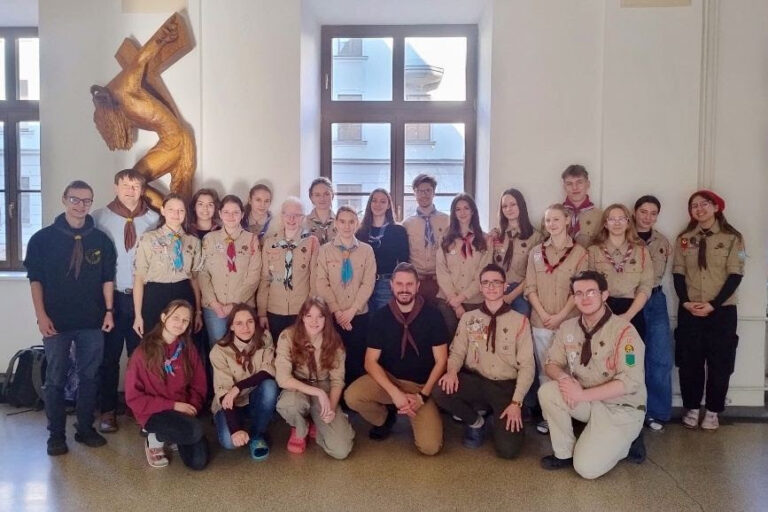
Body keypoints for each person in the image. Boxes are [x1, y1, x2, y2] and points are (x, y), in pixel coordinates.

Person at [25, 180, 117, 456]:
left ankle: (85, 428)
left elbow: (107, 279)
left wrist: (109, 311)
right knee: (55, 378)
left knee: (90, 376)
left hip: (92, 320)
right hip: (56, 321)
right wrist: (41, 316)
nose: (80, 205)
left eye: (86, 201)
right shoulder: (42, 239)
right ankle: (55, 435)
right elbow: (36, 281)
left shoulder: (100, 240)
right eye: (75, 199)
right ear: (64, 199)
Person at [538, 271, 646, 479]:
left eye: (591, 292)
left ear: (604, 295)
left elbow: (630, 381)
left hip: (620, 408)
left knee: (586, 469)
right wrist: (564, 379)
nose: (585, 298)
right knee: (548, 391)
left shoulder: (625, 331)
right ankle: (564, 453)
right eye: (578, 293)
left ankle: (627, 440)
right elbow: (551, 364)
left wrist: (581, 395)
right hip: (589, 402)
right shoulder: (568, 328)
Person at [345, 263, 449, 456]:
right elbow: (370, 362)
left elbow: (442, 360)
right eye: (399, 284)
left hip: (420, 386)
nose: (404, 289)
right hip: (390, 380)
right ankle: (385, 417)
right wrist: (395, 394)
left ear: (417, 286)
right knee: (352, 396)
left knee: (430, 448)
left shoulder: (433, 315)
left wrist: (422, 396)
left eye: (409, 284)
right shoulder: (380, 317)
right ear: (391, 285)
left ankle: (420, 411)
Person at [432, 264, 535, 458]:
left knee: (509, 451)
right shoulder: (469, 318)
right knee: (440, 390)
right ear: (480, 287)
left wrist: (516, 402)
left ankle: (498, 416)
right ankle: (476, 422)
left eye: (496, 282)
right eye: (486, 283)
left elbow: (527, 366)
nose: (491, 287)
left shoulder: (519, 321)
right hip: (477, 381)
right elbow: (457, 352)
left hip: (505, 387)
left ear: (505, 286)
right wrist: (452, 372)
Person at [91, 168, 159, 433]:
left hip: (143, 299)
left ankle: (137, 406)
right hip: (112, 299)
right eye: (126, 185)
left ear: (142, 190)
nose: (131, 191)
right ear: (115, 188)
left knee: (140, 357)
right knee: (108, 357)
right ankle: (108, 410)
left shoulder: (154, 219)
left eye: (136, 186)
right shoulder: (99, 217)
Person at [673, 190, 744, 431]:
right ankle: (692, 407)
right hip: (690, 310)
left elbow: (736, 274)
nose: (699, 209)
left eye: (704, 204)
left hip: (722, 311)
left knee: (720, 363)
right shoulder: (684, 239)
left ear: (716, 207)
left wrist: (714, 304)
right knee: (689, 362)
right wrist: (685, 302)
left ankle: (713, 411)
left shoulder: (733, 238)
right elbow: (678, 273)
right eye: (694, 205)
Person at [524, 204, 588, 434]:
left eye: (556, 219)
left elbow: (579, 290)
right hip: (541, 322)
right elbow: (530, 287)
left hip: (569, 322)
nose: (551, 224)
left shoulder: (580, 253)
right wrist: (543, 314)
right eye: (548, 220)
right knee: (545, 370)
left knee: (570, 369)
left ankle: (572, 413)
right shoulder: (536, 252)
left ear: (567, 220)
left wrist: (560, 316)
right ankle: (548, 416)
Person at [125, 300, 209, 469]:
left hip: (182, 410)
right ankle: (155, 438)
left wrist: (192, 407)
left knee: (198, 462)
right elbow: (134, 398)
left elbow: (199, 385)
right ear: (164, 317)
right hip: (154, 412)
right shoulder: (142, 352)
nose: (180, 323)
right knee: (194, 431)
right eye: (176, 317)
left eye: (185, 320)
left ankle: (175, 434)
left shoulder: (188, 349)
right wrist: (173, 405)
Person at [274, 297, 355, 459]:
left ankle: (318, 426)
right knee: (290, 404)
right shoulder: (288, 336)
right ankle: (299, 427)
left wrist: (330, 409)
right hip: (297, 386)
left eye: (320, 316)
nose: (314, 321)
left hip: (323, 385)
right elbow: (283, 378)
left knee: (341, 450)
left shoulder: (334, 342)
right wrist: (318, 393)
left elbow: (337, 381)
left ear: (326, 319)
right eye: (309, 315)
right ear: (302, 317)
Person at [315, 206, 376, 384]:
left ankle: (354, 396)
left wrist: (352, 310)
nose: (347, 226)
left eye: (351, 222)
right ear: (336, 223)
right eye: (342, 221)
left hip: (359, 315)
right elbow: (321, 282)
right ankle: (336, 395)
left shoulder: (367, 250)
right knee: (333, 358)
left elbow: (368, 283)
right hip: (333, 315)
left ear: (357, 224)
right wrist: (337, 311)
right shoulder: (325, 250)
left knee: (356, 359)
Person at [210, 304, 278, 460]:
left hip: (254, 397)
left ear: (255, 322)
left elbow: (268, 371)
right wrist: (235, 430)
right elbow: (224, 393)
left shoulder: (265, 338)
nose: (245, 328)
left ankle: (257, 434)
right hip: (231, 402)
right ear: (231, 326)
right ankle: (233, 422)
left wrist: (238, 387)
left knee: (270, 386)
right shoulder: (219, 350)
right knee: (229, 442)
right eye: (239, 323)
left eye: (250, 322)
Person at [133, 193, 203, 337]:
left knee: (183, 341)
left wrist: (198, 312)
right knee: (154, 340)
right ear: (163, 210)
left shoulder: (193, 241)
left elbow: (195, 279)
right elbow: (139, 277)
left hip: (183, 292)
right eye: (171, 209)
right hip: (155, 294)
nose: (176, 214)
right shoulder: (149, 238)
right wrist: (138, 315)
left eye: (181, 210)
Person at [198, 195, 262, 344]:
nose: (231, 216)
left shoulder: (252, 239)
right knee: (218, 347)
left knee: (245, 347)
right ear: (220, 214)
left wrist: (234, 305)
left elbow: (254, 276)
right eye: (226, 212)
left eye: (236, 212)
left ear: (242, 214)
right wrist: (214, 303)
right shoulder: (209, 239)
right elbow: (203, 273)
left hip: (243, 307)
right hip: (214, 308)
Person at [633, 195, 673, 432]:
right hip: (629, 300)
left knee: (659, 357)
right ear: (635, 212)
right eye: (643, 211)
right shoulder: (623, 236)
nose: (647, 217)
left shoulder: (662, 242)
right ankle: (631, 409)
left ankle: (656, 412)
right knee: (630, 357)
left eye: (653, 213)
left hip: (655, 300)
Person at [258, 197, 320, 342]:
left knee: (301, 349)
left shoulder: (311, 242)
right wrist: (262, 313)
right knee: (277, 348)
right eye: (288, 214)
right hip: (274, 309)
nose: (292, 219)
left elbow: (315, 279)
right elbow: (265, 279)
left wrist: (311, 309)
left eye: (297, 215)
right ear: (282, 216)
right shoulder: (270, 243)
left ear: (303, 218)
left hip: (301, 309)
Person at [587, 204, 653, 340]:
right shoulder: (593, 251)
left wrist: (628, 315)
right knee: (602, 351)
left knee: (630, 352)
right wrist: (606, 315)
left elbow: (645, 286)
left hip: (632, 310)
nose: (617, 223)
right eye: (612, 219)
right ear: (605, 224)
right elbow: (590, 285)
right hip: (601, 309)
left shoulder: (641, 252)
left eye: (622, 219)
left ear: (628, 223)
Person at [436, 193, 492, 334]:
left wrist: (462, 297)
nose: (462, 212)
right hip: (448, 301)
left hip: (475, 300)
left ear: (473, 211)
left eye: (466, 208)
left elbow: (483, 273)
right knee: (450, 338)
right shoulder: (444, 239)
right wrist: (455, 303)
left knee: (476, 340)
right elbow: (442, 272)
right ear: (453, 213)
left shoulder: (485, 240)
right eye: (458, 209)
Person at [355, 188, 409, 312]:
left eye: (383, 201)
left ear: (389, 205)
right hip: (363, 284)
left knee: (385, 320)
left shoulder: (398, 231)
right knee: (366, 321)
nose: (378, 204)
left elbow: (404, 262)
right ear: (369, 204)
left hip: (387, 284)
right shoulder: (360, 232)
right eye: (374, 201)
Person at [490, 188, 542, 316]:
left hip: (520, 290)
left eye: (513, 204)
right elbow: (489, 266)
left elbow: (534, 273)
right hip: (496, 288)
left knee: (521, 315)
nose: (509, 209)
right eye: (504, 206)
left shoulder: (535, 237)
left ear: (521, 206)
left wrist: (511, 296)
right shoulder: (496, 235)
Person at [402, 174, 450, 303]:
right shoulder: (407, 224)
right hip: (416, 282)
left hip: (440, 281)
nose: (424, 194)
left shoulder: (447, 221)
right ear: (415, 193)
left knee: (441, 315)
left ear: (434, 192)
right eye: (420, 191)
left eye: (428, 190)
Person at [561, 164, 602, 248]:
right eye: (569, 184)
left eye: (579, 182)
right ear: (564, 187)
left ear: (588, 184)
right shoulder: (552, 215)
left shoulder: (600, 216)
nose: (574, 188)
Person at [302, 177, 337, 244]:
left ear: (332, 195)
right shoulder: (303, 222)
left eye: (326, 194)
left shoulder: (340, 221)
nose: (322, 198)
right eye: (317, 195)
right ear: (311, 198)